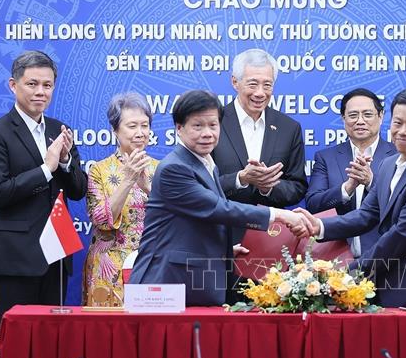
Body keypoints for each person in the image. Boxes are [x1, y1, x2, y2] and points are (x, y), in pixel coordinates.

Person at [129, 90, 310, 306]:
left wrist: (223, 249)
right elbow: (218, 209)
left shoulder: (205, 164)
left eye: (213, 125)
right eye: (198, 126)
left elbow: (197, 222)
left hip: (192, 280)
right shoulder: (174, 168)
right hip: (166, 283)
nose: (207, 133)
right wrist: (281, 215)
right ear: (179, 128)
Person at [295, 88, 406, 308]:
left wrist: (346, 272)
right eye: (397, 123)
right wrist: (319, 226)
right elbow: (367, 214)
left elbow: (401, 235)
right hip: (380, 283)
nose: (402, 131)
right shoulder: (388, 163)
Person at [0, 50, 87, 329]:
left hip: (56, 255)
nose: (41, 92)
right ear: (13, 85)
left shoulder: (59, 129)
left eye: (47, 85)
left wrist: (64, 162)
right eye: (32, 84)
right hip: (16, 258)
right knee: (17, 341)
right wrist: (46, 169)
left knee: (53, 342)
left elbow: (77, 190)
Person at [212, 48, 307, 243]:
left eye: (267, 85)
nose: (260, 93)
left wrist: (268, 187)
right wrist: (240, 179)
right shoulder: (213, 123)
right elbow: (197, 185)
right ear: (234, 82)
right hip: (220, 237)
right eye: (253, 84)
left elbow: (298, 186)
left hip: (272, 240)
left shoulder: (289, 128)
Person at [82, 92, 159, 306]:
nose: (140, 133)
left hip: (152, 264)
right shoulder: (99, 170)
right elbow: (100, 221)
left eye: (145, 126)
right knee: (107, 334)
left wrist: (148, 188)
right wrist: (127, 181)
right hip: (109, 267)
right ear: (115, 130)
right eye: (132, 126)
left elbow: (176, 217)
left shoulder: (161, 169)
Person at [306, 88, 396, 257]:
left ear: (381, 116)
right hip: (336, 262)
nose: (360, 121)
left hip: (385, 259)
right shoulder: (326, 157)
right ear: (343, 118)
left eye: (367, 114)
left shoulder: (398, 156)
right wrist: (346, 189)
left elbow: (404, 204)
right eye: (353, 115)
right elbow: (313, 204)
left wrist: (371, 182)